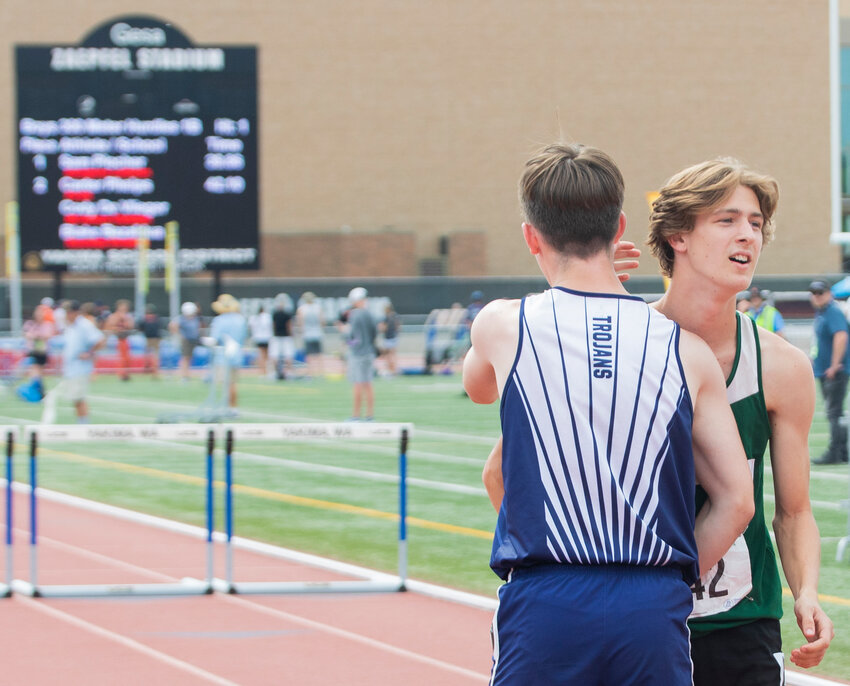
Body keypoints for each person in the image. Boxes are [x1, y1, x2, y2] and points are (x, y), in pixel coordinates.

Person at [464, 142, 753, 685]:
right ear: (618, 226)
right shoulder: (685, 350)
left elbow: (478, 390)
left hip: (545, 597)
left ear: (531, 236)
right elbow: (737, 501)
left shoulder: (503, 325)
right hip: (651, 599)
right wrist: (675, 583)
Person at [647, 158, 834, 682]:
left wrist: (808, 593)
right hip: (640, 615)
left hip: (742, 620)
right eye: (726, 220)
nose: (747, 235)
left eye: (755, 223)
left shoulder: (782, 367)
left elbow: (794, 512)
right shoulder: (627, 345)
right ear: (677, 235)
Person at [809, 279, 850, 465]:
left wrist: (834, 365)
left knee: (834, 411)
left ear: (829, 293)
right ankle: (841, 451)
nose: (817, 296)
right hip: (827, 370)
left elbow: (841, 335)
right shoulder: (823, 312)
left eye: (820, 292)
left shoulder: (832, 312)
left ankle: (836, 451)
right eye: (814, 293)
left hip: (834, 371)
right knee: (835, 411)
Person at [61, 300, 105, 423]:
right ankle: (81, 421)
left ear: (75, 312)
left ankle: (84, 423)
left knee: (79, 397)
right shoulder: (71, 326)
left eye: (68, 312)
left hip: (80, 368)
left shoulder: (84, 325)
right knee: (75, 398)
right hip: (71, 368)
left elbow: (100, 340)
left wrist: (89, 353)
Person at [209, 293, 248, 409]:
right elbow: (243, 337)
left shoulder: (219, 320)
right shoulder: (240, 319)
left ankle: (228, 406)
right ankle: (233, 407)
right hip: (237, 354)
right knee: (233, 383)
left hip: (223, 355)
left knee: (225, 383)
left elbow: (215, 339)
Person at [345, 287, 377, 421]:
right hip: (369, 352)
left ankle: (356, 415)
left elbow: (352, 337)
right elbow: (374, 333)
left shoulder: (354, 315)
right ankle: (370, 415)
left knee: (357, 384)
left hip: (357, 353)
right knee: (368, 384)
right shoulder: (369, 314)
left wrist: (349, 344)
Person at [18, 302, 56, 401]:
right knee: (35, 371)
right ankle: (38, 391)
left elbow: (47, 336)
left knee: (39, 373)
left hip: (42, 352)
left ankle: (40, 391)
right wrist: (36, 336)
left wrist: (37, 336)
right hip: (33, 352)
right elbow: (27, 335)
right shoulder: (30, 324)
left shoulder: (47, 325)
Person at [169, 301, 201, 382]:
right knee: (185, 358)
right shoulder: (182, 318)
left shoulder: (195, 318)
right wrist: (179, 335)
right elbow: (173, 326)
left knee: (189, 358)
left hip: (193, 340)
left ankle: (186, 375)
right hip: (186, 340)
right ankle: (184, 375)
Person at [103, 299, 135, 381]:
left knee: (127, 358)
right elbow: (109, 327)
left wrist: (126, 319)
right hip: (116, 339)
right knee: (121, 358)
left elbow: (131, 326)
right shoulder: (114, 316)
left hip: (125, 339)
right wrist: (117, 327)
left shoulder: (128, 316)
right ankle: (120, 374)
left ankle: (126, 373)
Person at [296, 292, 325, 378]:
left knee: (309, 355)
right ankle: (320, 372)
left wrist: (302, 331)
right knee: (319, 354)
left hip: (307, 334)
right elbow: (322, 321)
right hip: (317, 333)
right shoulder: (318, 308)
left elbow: (300, 322)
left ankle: (310, 372)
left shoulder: (302, 309)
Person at [270, 294, 295, 380]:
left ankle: (276, 372)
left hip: (277, 336)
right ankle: (289, 372)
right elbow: (289, 326)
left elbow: (273, 325)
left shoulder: (275, 313)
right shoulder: (287, 313)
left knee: (275, 355)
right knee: (288, 355)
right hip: (285, 336)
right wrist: (291, 334)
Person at [138, 304, 162, 378]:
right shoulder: (156, 319)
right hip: (154, 339)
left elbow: (140, 328)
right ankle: (153, 371)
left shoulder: (145, 319)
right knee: (155, 356)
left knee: (149, 355)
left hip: (149, 339)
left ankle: (149, 369)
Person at [248, 305, 273, 375]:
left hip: (258, 338)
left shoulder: (253, 317)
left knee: (261, 355)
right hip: (267, 337)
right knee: (267, 355)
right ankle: (268, 370)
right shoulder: (267, 316)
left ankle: (262, 370)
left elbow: (250, 328)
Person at [378, 301, 401, 376]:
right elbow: (398, 326)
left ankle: (391, 369)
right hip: (394, 337)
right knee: (393, 354)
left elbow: (384, 327)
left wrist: (380, 328)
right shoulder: (395, 315)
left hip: (388, 337)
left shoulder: (387, 317)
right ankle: (394, 369)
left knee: (389, 355)